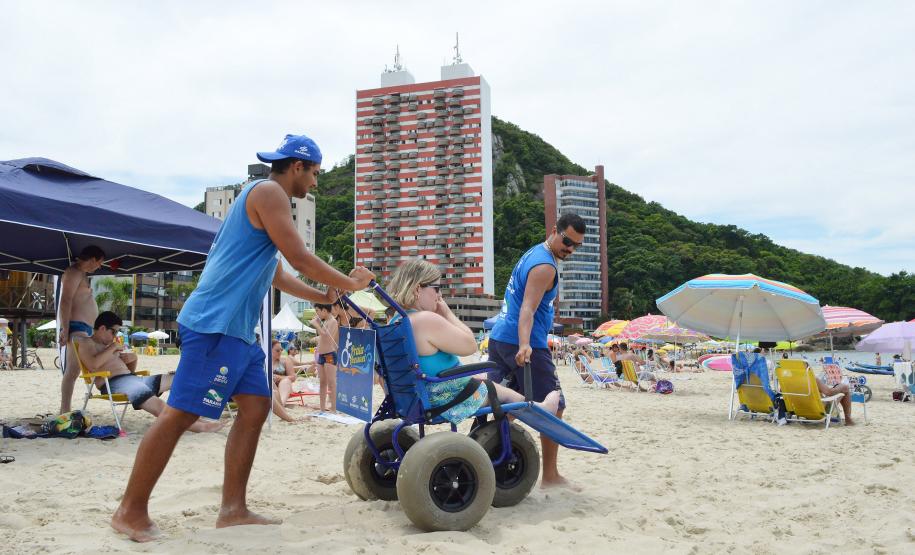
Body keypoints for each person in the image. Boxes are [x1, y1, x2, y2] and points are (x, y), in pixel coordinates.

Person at [111, 134, 375, 542]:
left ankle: (233, 509)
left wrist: (324, 294)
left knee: (256, 407)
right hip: (214, 323)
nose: (317, 183)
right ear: (298, 167)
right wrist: (349, 282)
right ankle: (130, 511)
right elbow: (300, 256)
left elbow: (278, 273)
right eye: (316, 174)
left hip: (240, 331)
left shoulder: (264, 206)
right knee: (179, 414)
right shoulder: (270, 193)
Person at [387, 259, 559, 423]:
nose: (440, 296)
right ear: (418, 289)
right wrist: (447, 313)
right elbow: (470, 345)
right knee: (498, 390)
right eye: (437, 288)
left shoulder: (394, 322)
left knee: (483, 380)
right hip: (442, 398)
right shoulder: (425, 320)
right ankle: (539, 408)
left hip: (411, 398)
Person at [487, 213, 586, 488]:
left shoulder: (534, 254)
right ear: (555, 231)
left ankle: (490, 457)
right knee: (555, 406)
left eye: (576, 245)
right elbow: (528, 308)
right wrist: (525, 344)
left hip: (499, 339)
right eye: (567, 241)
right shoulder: (545, 267)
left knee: (500, 403)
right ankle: (551, 477)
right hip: (525, 342)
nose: (570, 248)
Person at [74, 312, 222, 433]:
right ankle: (199, 427)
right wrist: (112, 348)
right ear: (102, 328)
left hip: (131, 379)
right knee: (154, 401)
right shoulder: (87, 343)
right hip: (113, 383)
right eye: (113, 331)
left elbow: (129, 371)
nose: (115, 336)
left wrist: (132, 358)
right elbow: (93, 366)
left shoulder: (108, 346)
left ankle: (195, 417)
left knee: (178, 378)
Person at [58, 245, 105, 414]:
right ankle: (64, 410)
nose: (99, 266)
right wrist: (65, 328)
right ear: (93, 259)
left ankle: (65, 409)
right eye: (99, 262)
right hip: (76, 326)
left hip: (84, 328)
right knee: (72, 371)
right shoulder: (74, 272)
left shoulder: (81, 274)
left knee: (75, 370)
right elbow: (65, 301)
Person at [310, 303, 339, 412]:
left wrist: (316, 324)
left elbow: (327, 336)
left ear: (324, 310)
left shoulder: (333, 321)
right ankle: (322, 408)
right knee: (322, 382)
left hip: (329, 354)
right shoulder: (325, 321)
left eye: (317, 310)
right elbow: (321, 335)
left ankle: (334, 409)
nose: (316, 313)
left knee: (331, 382)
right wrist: (318, 324)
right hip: (321, 355)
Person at [269, 340, 298, 422]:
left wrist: (279, 377)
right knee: (273, 390)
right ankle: (280, 407)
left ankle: (281, 405)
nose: (280, 352)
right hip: (271, 387)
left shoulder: (285, 360)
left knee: (286, 381)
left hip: (284, 387)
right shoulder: (264, 361)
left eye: (281, 350)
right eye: (277, 350)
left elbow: (293, 377)